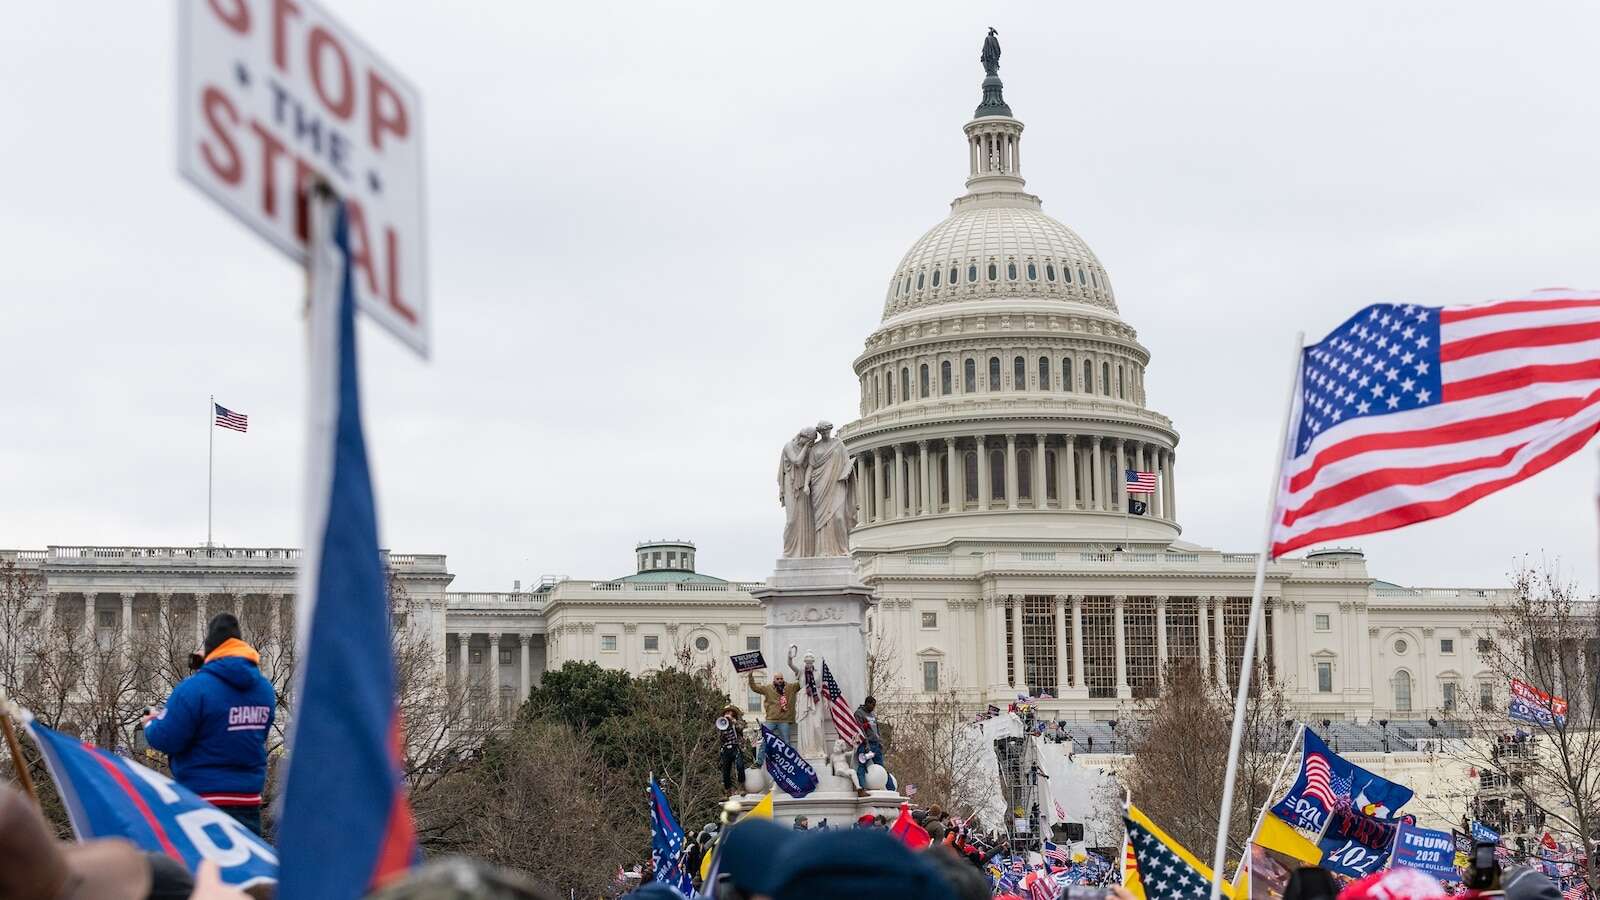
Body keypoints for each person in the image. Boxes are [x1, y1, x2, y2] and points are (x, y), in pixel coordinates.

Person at [143, 612, 276, 836]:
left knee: (202, 869)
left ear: (210, 651)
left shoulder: (195, 688)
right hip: (249, 802)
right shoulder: (264, 690)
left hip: (202, 801)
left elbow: (166, 738)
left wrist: (150, 723)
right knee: (242, 867)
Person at [748, 667, 800, 762]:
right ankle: (759, 761)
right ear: (774, 680)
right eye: (778, 679)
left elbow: (801, 683)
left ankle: (789, 761)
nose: (780, 680)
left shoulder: (790, 688)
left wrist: (802, 672)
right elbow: (754, 688)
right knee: (765, 740)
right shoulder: (768, 688)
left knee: (786, 741)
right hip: (771, 720)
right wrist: (750, 675)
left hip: (784, 720)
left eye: (781, 678)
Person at [717, 704, 746, 797]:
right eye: (726, 712)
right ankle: (727, 791)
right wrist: (723, 726)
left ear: (733, 713)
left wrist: (734, 721)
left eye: (730, 712)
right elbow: (720, 738)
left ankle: (741, 787)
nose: (728, 714)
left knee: (740, 766)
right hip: (726, 749)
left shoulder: (737, 722)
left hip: (736, 747)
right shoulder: (722, 723)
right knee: (725, 771)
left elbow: (741, 728)